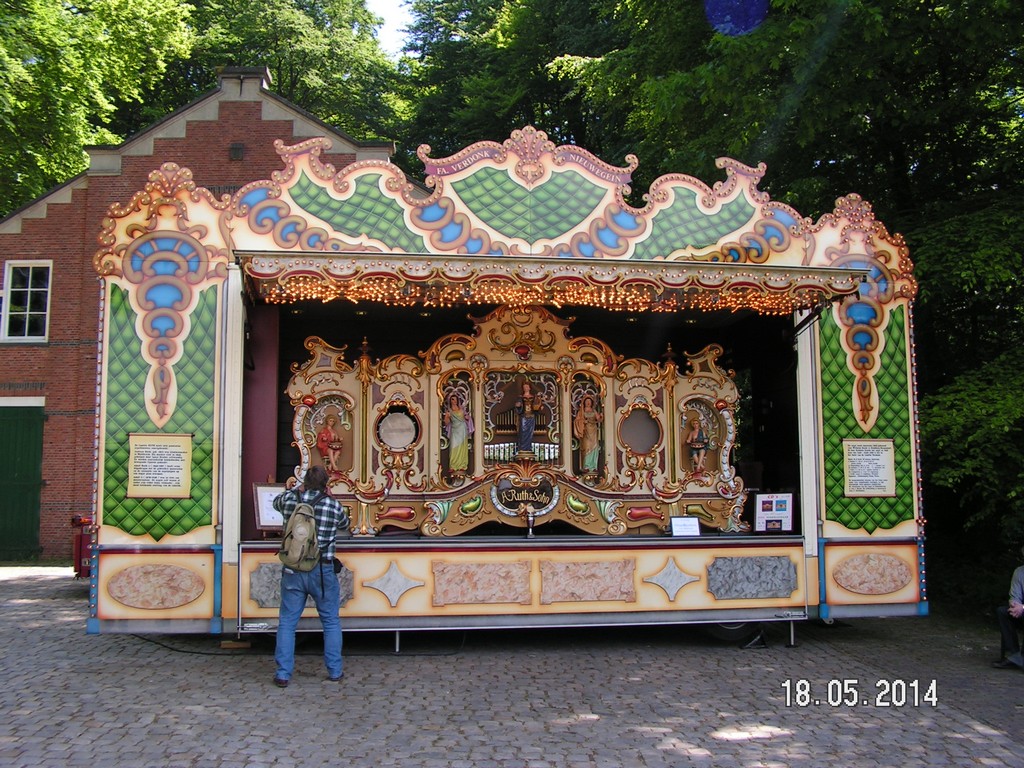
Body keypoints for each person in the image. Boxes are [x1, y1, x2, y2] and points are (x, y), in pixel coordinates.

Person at [272, 464, 350, 687]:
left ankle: (283, 673)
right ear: (326, 484)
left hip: (293, 569)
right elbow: (345, 524)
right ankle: (334, 671)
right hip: (322, 570)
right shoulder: (332, 506)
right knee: (330, 621)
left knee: (287, 622)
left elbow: (276, 502)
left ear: (305, 481)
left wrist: (294, 489)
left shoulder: (290, 501)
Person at [992, 549, 1024, 669]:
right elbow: (1015, 594)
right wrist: (1014, 605)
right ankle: (1012, 655)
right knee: (1003, 612)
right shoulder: (1019, 572)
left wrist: (1022, 607)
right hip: (1021, 609)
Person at [443, 394, 474, 475]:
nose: (454, 401)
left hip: (462, 429)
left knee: (462, 447)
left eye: (456, 399)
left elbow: (467, 418)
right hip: (455, 430)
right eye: (453, 399)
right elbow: (446, 423)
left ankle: (462, 465)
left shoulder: (462, 410)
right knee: (454, 448)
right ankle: (453, 466)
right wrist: (447, 417)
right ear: (450, 401)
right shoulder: (449, 411)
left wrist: (467, 418)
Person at [573, 394, 602, 474]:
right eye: (587, 401)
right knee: (586, 447)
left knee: (595, 447)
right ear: (584, 403)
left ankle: (593, 466)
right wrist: (583, 422)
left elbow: (598, 419)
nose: (588, 403)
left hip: (593, 430)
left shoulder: (593, 411)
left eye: (589, 401)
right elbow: (576, 421)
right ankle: (586, 465)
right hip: (586, 431)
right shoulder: (581, 411)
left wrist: (601, 417)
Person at [515, 380, 542, 454]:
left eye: (527, 387)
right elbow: (518, 407)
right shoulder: (520, 397)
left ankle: (528, 448)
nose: (526, 388)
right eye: (524, 387)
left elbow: (536, 406)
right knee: (523, 433)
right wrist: (518, 406)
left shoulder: (534, 397)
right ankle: (522, 448)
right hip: (523, 417)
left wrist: (539, 407)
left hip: (531, 417)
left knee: (530, 433)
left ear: (530, 388)